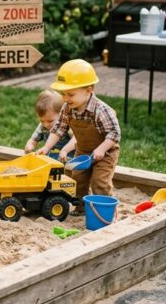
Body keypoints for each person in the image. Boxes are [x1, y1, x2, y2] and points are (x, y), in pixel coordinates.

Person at [37, 59, 121, 215]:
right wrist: (46, 147)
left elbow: (114, 133)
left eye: (71, 94)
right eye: (63, 94)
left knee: (99, 182)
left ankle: (106, 211)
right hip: (83, 151)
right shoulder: (67, 109)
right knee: (77, 178)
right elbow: (59, 129)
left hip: (105, 153)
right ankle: (81, 208)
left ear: (88, 90)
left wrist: (101, 149)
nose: (65, 98)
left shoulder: (101, 110)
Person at [24, 89, 75, 160]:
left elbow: (76, 141)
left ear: (62, 114)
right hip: (49, 159)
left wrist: (66, 150)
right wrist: (30, 146)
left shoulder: (68, 126)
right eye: (42, 121)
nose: (45, 125)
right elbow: (33, 139)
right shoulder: (42, 126)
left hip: (67, 159)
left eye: (50, 121)